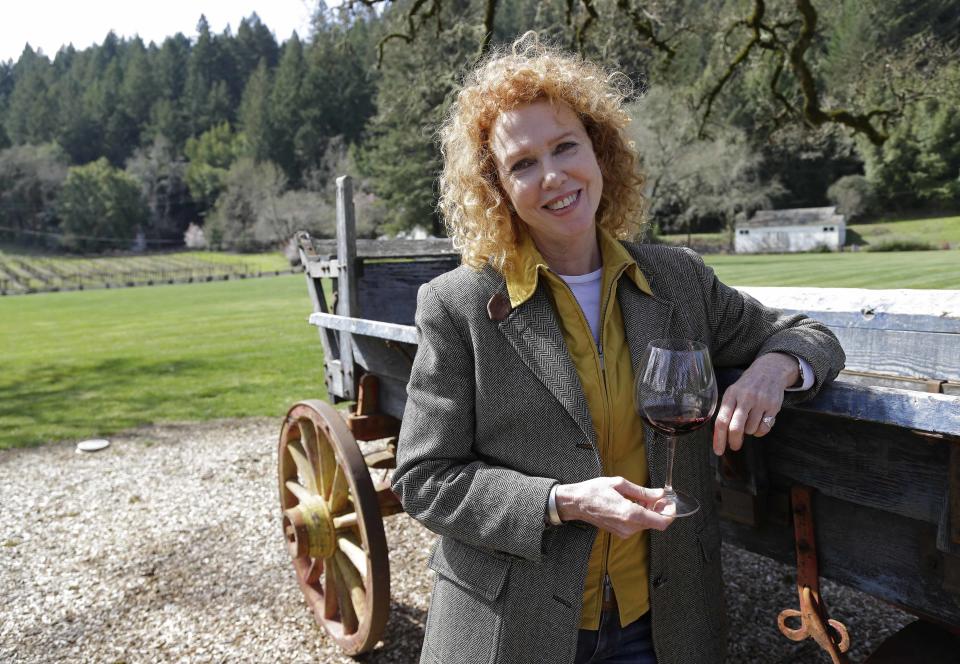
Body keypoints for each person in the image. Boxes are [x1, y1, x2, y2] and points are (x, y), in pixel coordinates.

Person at [391, 32, 844, 664]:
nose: (553, 176)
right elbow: (422, 479)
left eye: (565, 146)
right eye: (522, 164)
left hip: (661, 625)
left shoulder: (679, 279)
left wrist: (774, 367)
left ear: (600, 151)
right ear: (496, 187)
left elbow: (810, 334)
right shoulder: (457, 305)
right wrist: (561, 502)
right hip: (512, 630)